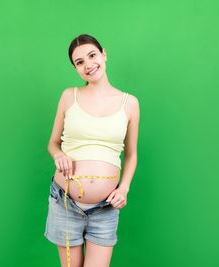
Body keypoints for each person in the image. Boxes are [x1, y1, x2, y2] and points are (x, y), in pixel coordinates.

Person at [44, 34, 140, 267]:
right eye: (79, 62)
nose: (88, 64)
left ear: (104, 54)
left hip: (104, 208)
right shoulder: (69, 96)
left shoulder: (130, 103)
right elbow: (53, 143)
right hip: (65, 203)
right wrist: (59, 155)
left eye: (92, 55)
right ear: (75, 68)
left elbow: (131, 154)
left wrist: (124, 188)